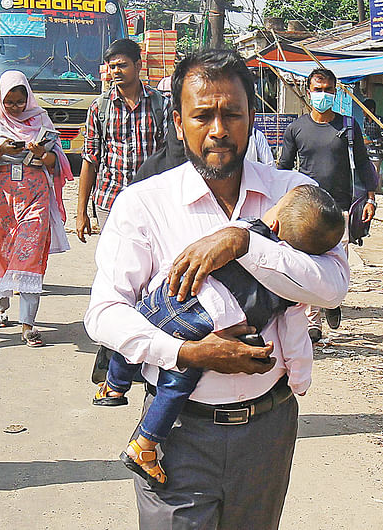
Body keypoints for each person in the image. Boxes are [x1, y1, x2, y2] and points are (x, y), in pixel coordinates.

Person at [84, 49, 349, 529]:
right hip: (179, 434)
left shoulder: (294, 194)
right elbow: (103, 313)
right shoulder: (143, 204)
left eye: (232, 113)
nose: (219, 130)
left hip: (268, 432)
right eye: (202, 115)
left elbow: (332, 287)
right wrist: (188, 354)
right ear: (179, 121)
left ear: (253, 116)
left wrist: (244, 241)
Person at [99, 185, 344, 488]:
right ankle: (144, 446)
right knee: (177, 381)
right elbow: (296, 341)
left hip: (171, 296)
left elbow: (192, 250)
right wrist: (299, 379)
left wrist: (162, 284)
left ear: (275, 222)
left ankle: (112, 386)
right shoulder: (292, 288)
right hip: (200, 328)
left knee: (141, 325)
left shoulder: (240, 228)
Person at [0, 70, 73, 346]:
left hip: (35, 198)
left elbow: (57, 162)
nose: (15, 108)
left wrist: (42, 154)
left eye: (19, 102)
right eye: (9, 102)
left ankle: (28, 324)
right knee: (0, 256)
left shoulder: (42, 121)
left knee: (31, 258)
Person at [278, 67, 377, 342]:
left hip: (341, 207)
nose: (322, 95)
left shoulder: (347, 126)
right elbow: (284, 168)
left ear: (335, 93)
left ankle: (332, 301)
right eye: (317, 90)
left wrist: (370, 198)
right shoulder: (296, 129)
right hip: (307, 209)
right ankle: (313, 322)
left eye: (327, 90)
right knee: (309, 263)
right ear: (308, 92)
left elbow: (365, 164)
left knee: (336, 262)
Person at [76, 38, 169, 239]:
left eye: (122, 65)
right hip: (110, 201)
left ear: (138, 66)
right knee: (113, 264)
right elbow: (90, 160)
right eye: (112, 67)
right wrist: (81, 212)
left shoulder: (161, 105)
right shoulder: (100, 107)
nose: (116, 71)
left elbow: (173, 157)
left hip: (152, 202)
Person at [362, 98, 383, 182]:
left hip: (378, 153)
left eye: (364, 109)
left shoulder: (379, 121)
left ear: (371, 110)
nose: (363, 111)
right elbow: (366, 134)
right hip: (368, 152)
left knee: (375, 175)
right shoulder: (365, 121)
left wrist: (371, 142)